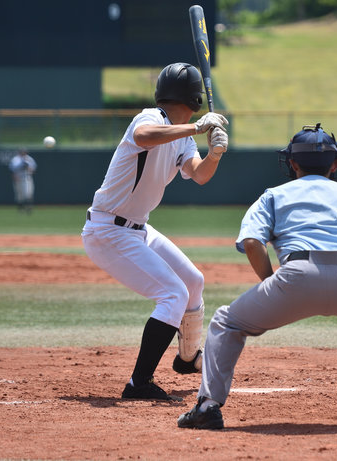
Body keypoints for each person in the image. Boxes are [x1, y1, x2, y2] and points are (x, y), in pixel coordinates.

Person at [177, 123, 337, 430]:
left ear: (292, 163)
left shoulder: (273, 195)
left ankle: (207, 407)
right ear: (336, 163)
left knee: (227, 323)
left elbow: (252, 243)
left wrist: (270, 282)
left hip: (296, 276)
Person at [81, 62, 229, 401]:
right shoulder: (150, 118)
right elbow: (143, 137)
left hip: (137, 229)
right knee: (173, 294)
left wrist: (215, 154)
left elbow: (200, 174)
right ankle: (139, 383)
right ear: (194, 100)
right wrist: (195, 128)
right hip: (107, 229)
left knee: (193, 282)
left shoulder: (181, 138)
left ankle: (188, 358)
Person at [9, 148, 37, 213]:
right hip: (19, 178)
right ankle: (20, 208)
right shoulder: (16, 159)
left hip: (27, 178)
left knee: (28, 193)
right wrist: (22, 165)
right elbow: (13, 169)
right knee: (19, 195)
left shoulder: (29, 159)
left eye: (25, 152)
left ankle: (29, 208)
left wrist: (28, 167)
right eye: (22, 152)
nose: (24, 153)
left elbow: (33, 169)